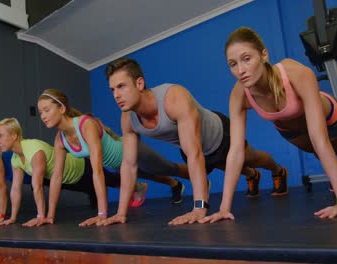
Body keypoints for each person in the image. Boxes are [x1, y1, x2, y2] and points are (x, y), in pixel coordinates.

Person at [101, 57, 285, 226]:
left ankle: (278, 170)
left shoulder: (173, 97)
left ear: (139, 83)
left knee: (252, 158)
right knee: (224, 166)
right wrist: (120, 213)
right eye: (112, 90)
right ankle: (251, 175)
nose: (116, 95)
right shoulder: (127, 119)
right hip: (193, 148)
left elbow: (194, 152)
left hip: (219, 135)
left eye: (121, 86)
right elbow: (129, 164)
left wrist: (199, 207)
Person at [202, 27, 337, 223]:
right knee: (318, 152)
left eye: (247, 59)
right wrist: (224, 208)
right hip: (292, 131)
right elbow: (235, 152)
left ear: (264, 55)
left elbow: (320, 139)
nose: (240, 70)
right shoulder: (239, 95)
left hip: (330, 118)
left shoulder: (296, 73)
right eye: (233, 64)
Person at [37, 89, 190, 226]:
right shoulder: (60, 140)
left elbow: (97, 171)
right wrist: (49, 216)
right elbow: (57, 177)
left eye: (46, 110)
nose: (43, 116)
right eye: (40, 112)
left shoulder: (85, 125)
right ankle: (175, 185)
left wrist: (101, 214)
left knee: (168, 168)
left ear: (62, 108)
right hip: (119, 165)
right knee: (151, 175)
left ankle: (200, 175)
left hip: (131, 150)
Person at [0, 118, 124, 227]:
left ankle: (137, 185)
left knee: (115, 181)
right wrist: (12, 218)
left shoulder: (33, 149)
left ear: (14, 135)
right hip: (65, 182)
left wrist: (40, 216)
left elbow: (37, 186)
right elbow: (16, 189)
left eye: (0, 136)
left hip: (80, 169)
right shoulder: (15, 159)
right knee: (93, 189)